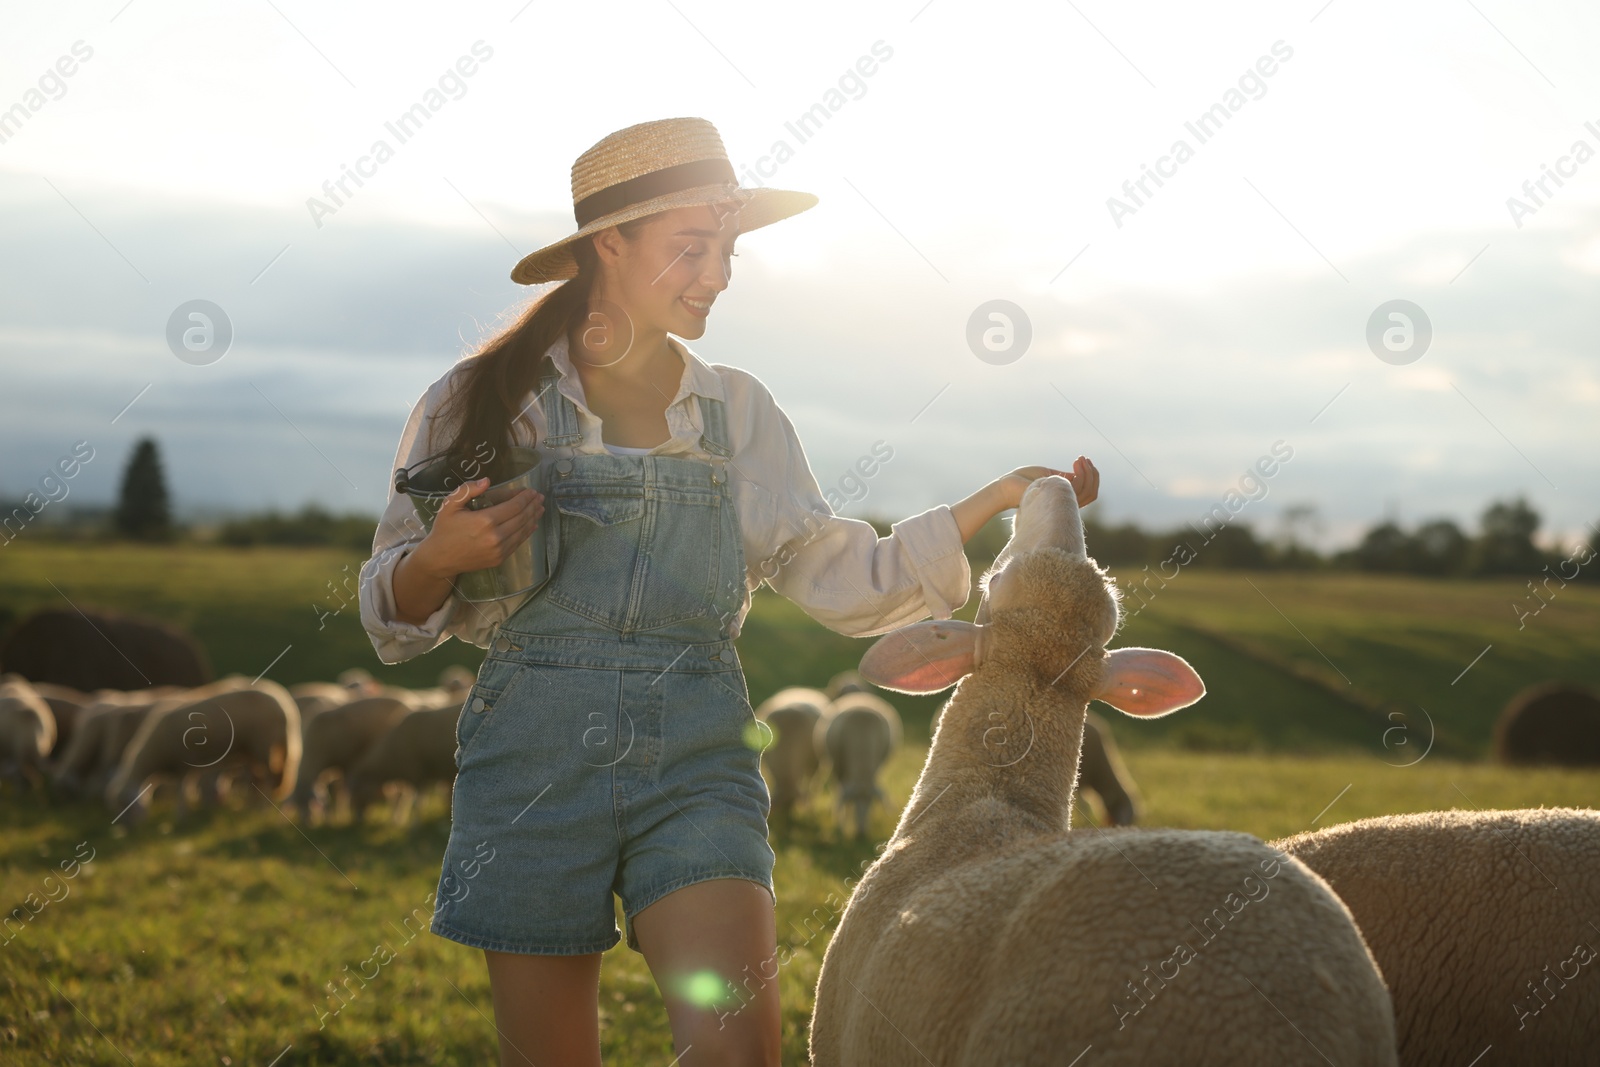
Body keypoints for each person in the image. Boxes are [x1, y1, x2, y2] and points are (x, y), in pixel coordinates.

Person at [358, 116, 1099, 1067]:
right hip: (534, 760)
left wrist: (992, 499)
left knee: (740, 1054)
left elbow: (842, 578)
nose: (718, 274)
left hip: (699, 756)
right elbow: (391, 616)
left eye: (728, 249)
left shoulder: (737, 411)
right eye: (692, 248)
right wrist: (440, 557)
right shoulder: (478, 402)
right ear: (607, 245)